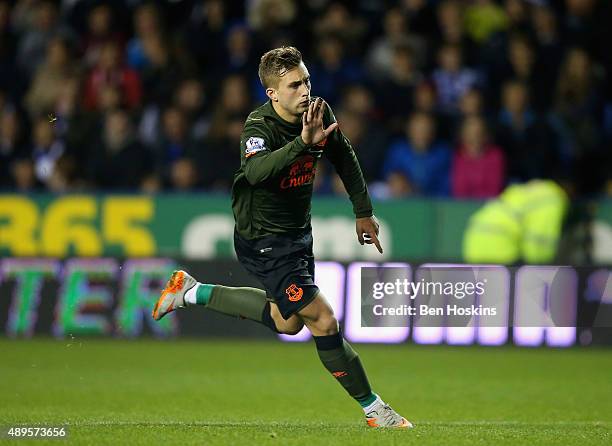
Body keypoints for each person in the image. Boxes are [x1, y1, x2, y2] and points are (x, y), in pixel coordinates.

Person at [151, 46, 412, 429]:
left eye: (306, 80)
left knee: (287, 322)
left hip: (297, 234)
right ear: (273, 93)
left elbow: (343, 154)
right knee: (323, 319)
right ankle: (375, 410)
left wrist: (363, 211)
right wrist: (302, 144)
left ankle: (189, 292)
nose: (305, 90)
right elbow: (256, 173)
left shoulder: (318, 112)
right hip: (263, 239)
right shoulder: (259, 127)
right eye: (294, 85)